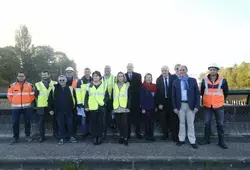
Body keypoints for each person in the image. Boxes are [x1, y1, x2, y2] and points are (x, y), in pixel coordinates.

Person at [199, 63, 229, 149]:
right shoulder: (204, 80)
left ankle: (221, 142)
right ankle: (206, 139)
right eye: (211, 69)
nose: (212, 71)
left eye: (214, 69)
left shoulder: (223, 80)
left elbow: (226, 92)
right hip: (207, 105)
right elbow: (202, 92)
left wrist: (218, 100)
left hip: (219, 105)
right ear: (209, 70)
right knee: (207, 123)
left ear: (217, 70)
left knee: (220, 124)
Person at [172, 65, 200, 149]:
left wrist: (197, 106)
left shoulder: (192, 80)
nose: (181, 71)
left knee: (190, 124)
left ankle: (192, 140)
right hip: (180, 105)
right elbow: (173, 96)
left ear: (186, 71)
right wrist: (174, 107)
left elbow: (197, 94)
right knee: (182, 123)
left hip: (190, 105)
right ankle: (181, 139)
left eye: (183, 70)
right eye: (180, 70)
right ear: (178, 71)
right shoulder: (176, 82)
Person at [48, 75, 77, 145]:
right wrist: (50, 109)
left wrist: (74, 107)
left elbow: (75, 98)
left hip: (69, 110)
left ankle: (71, 137)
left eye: (63, 80)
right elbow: (50, 100)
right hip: (58, 110)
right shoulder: (54, 88)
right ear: (58, 81)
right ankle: (62, 138)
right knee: (61, 125)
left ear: (66, 81)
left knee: (70, 124)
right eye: (60, 80)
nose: (62, 81)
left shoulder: (70, 88)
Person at [7, 72, 35, 144]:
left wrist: (28, 101)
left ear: (25, 77)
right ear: (17, 77)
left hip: (27, 107)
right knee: (15, 122)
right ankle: (15, 137)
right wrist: (13, 102)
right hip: (15, 108)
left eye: (22, 76)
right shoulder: (12, 85)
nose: (21, 77)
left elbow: (32, 96)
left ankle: (28, 135)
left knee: (27, 122)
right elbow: (9, 95)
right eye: (19, 76)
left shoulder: (30, 85)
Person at [84, 71, 109, 145]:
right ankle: (94, 137)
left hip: (101, 107)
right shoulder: (89, 86)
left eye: (97, 76)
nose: (95, 77)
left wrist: (104, 103)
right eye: (94, 76)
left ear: (100, 77)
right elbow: (86, 97)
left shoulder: (104, 85)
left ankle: (100, 137)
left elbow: (106, 96)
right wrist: (86, 106)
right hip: (92, 107)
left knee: (100, 123)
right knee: (93, 123)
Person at [155, 65, 178, 141]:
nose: (164, 72)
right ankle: (165, 135)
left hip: (172, 102)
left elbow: (176, 91)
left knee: (173, 120)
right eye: (162, 70)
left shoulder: (174, 78)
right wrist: (159, 104)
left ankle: (175, 136)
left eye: (165, 70)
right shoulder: (158, 79)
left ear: (168, 71)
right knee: (163, 120)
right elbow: (157, 93)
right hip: (162, 103)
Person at [35, 70, 57, 142]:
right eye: (43, 75)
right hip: (42, 105)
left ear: (49, 75)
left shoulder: (55, 83)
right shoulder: (37, 84)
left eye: (45, 75)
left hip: (52, 105)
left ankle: (55, 134)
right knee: (41, 122)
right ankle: (42, 136)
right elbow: (36, 95)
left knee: (54, 121)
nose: (44, 76)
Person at [112, 72, 131, 146]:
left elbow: (129, 97)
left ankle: (126, 138)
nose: (120, 78)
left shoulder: (127, 85)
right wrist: (113, 107)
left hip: (124, 107)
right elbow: (113, 97)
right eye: (119, 76)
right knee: (119, 124)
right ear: (117, 77)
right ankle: (121, 136)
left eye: (121, 76)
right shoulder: (114, 85)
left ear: (124, 77)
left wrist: (128, 107)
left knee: (124, 124)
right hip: (116, 107)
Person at [125, 63, 142, 139]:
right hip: (127, 101)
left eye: (130, 67)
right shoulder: (123, 76)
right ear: (126, 68)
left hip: (136, 100)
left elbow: (140, 88)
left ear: (133, 67)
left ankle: (138, 133)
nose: (129, 68)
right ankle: (127, 133)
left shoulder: (138, 75)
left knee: (137, 118)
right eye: (128, 67)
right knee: (127, 118)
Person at [75, 67, 92, 140]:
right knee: (83, 119)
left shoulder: (93, 79)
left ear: (90, 72)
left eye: (88, 71)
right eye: (85, 71)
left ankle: (91, 132)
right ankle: (84, 133)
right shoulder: (80, 81)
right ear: (84, 72)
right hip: (82, 103)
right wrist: (79, 103)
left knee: (91, 119)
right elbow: (78, 92)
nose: (87, 72)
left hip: (92, 103)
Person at [140, 73, 157, 141]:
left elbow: (156, 97)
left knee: (152, 122)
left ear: (152, 78)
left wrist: (155, 106)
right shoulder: (142, 86)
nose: (148, 78)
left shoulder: (154, 86)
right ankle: (147, 135)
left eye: (150, 77)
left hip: (153, 107)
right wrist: (143, 108)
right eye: (147, 77)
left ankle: (151, 135)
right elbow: (141, 98)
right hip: (146, 107)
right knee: (147, 122)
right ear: (145, 78)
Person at [102, 65, 115, 139]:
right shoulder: (101, 78)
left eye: (108, 69)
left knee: (112, 117)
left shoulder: (114, 77)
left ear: (110, 70)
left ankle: (114, 132)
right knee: (104, 118)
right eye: (106, 68)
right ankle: (104, 133)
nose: (107, 70)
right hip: (103, 100)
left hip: (112, 100)